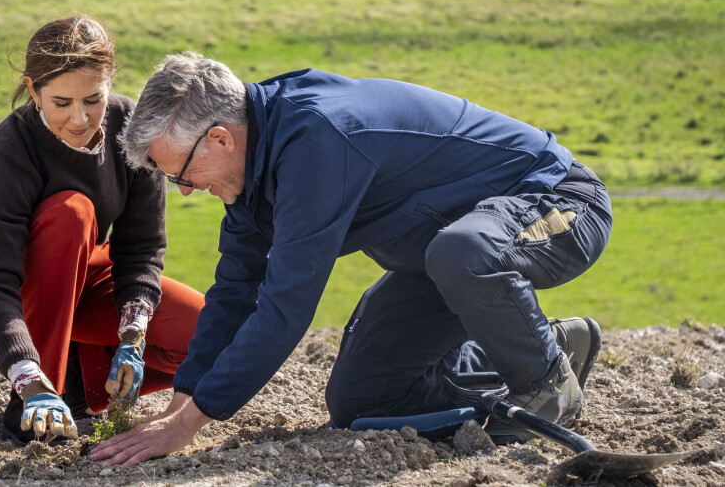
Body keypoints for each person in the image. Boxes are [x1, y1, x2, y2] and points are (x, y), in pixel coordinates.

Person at [88, 52, 612, 466]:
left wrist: (193, 423)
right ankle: (551, 344)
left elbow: (286, 305)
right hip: (445, 256)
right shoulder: (250, 166)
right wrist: (182, 402)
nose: (181, 191)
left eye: (179, 174)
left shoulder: (318, 138)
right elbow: (235, 291)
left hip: (556, 203)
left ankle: (546, 385)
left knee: (464, 251)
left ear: (219, 139)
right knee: (363, 402)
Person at [0, 18, 205, 445]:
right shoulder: (5, 151)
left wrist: (133, 334)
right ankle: (35, 397)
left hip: (84, 270)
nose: (79, 118)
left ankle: (79, 387)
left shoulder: (132, 129)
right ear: (32, 90)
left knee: (210, 337)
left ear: (110, 83)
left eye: (93, 99)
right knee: (72, 212)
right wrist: (26, 377)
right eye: (61, 102)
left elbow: (140, 248)